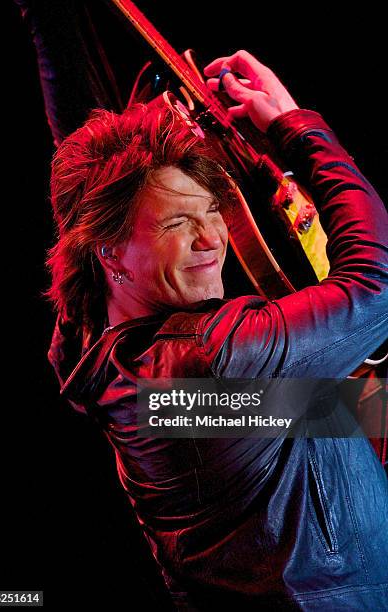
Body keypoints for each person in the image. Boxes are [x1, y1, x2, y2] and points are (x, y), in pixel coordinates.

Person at [44, 39, 388, 609]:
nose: (213, 240)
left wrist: (49, 25)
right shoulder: (212, 360)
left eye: (214, 211)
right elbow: (376, 286)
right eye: (179, 221)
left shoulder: (101, 338)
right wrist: (295, 125)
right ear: (109, 251)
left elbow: (79, 168)